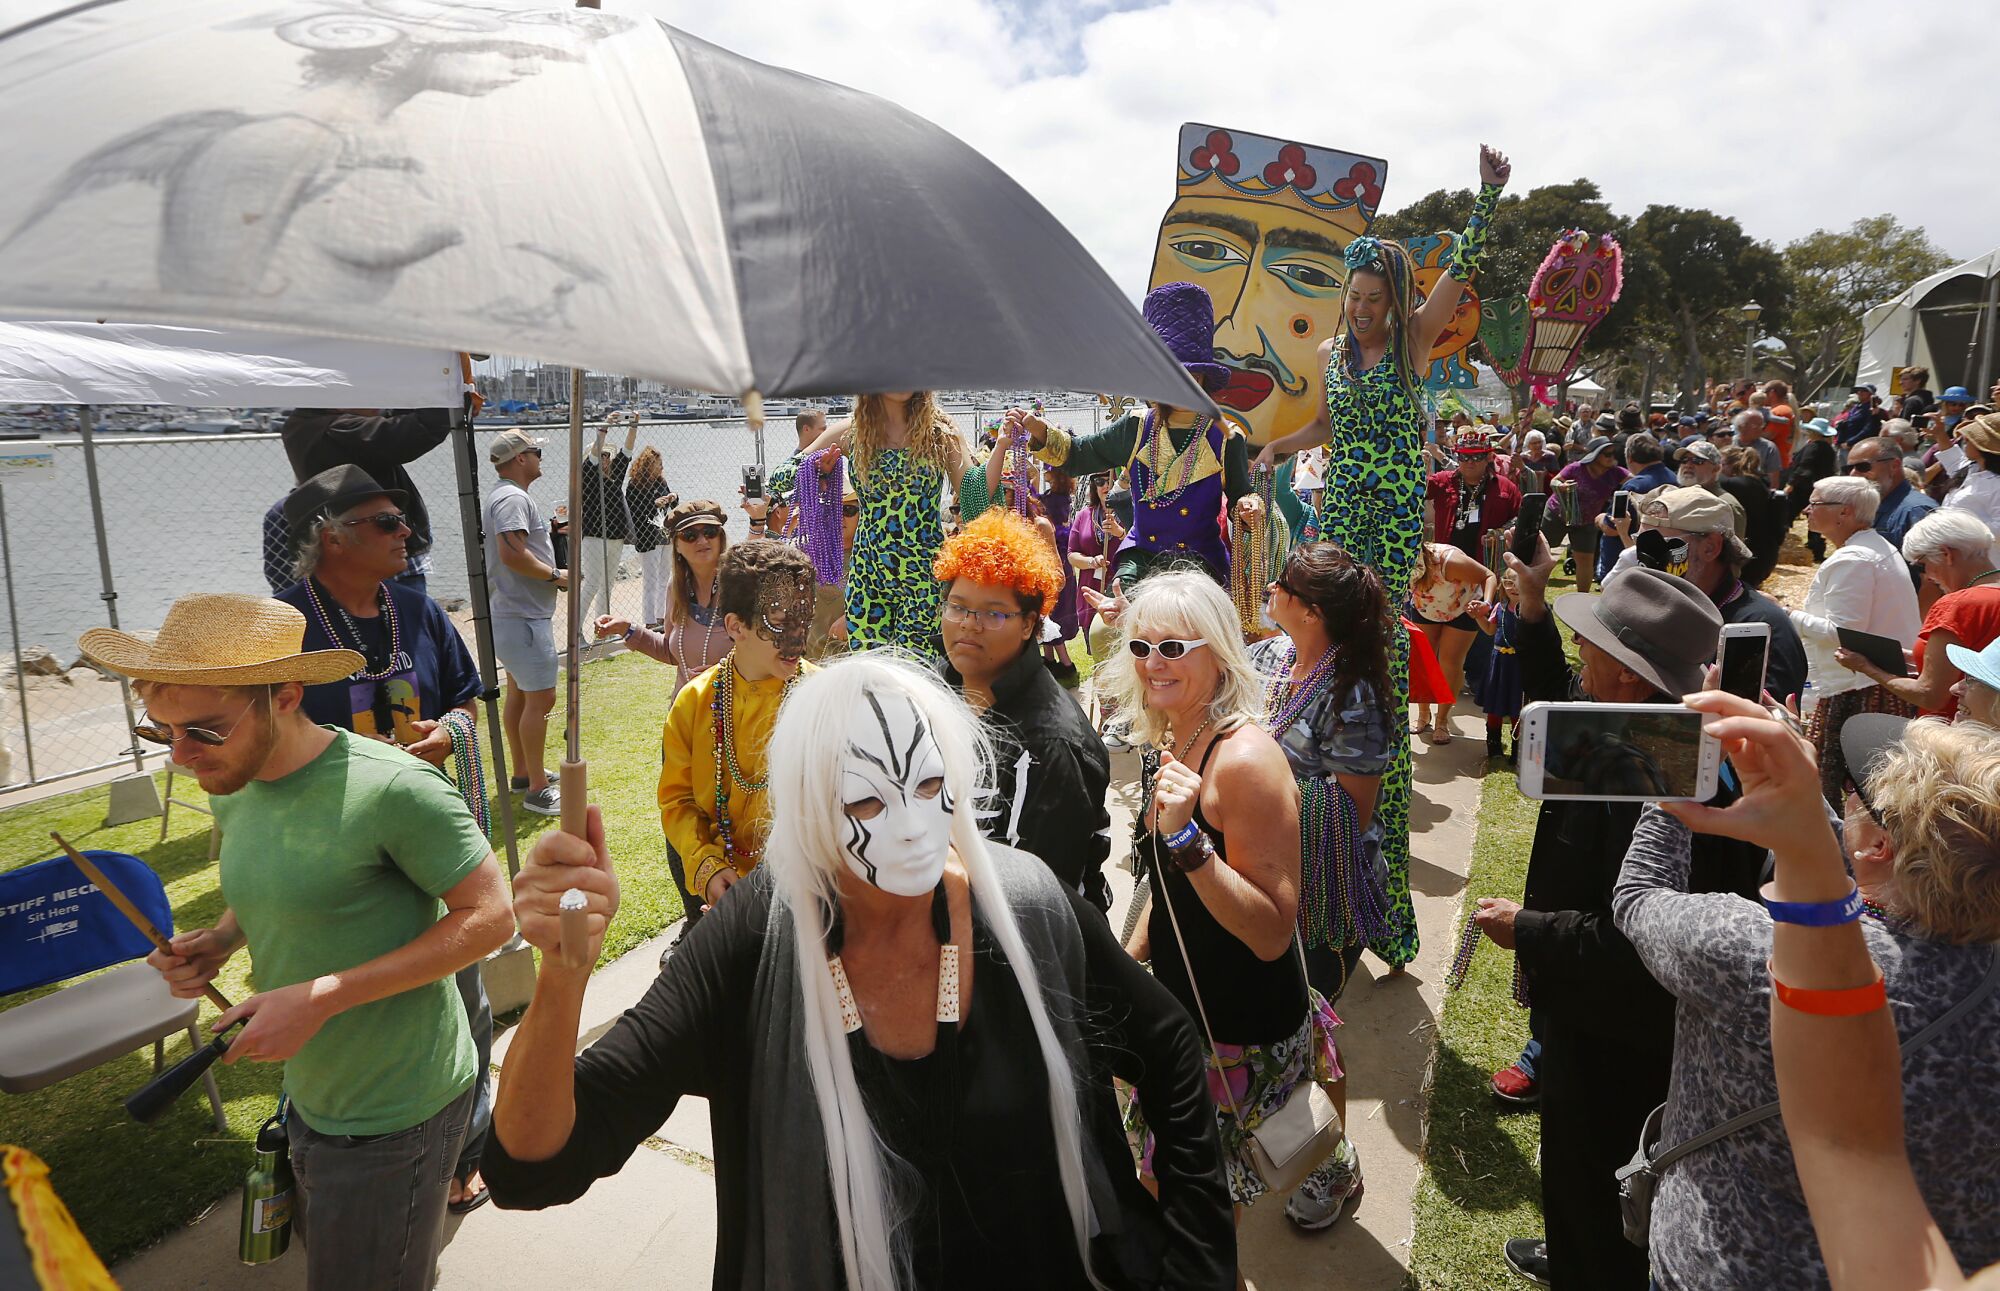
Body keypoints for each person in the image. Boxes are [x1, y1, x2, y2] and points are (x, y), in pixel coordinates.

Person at [487, 655, 1237, 1290]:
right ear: (813, 806)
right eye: (868, 799)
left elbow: (1169, 1043)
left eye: (926, 785)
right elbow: (534, 1166)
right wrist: (562, 976)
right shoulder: (752, 941)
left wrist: (1199, 1261)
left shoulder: (1026, 906)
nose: (910, 823)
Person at [90, 593, 513, 1291]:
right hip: (311, 1094)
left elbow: (492, 915)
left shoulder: (395, 789)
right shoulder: (233, 779)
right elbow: (286, 879)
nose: (181, 757)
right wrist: (220, 940)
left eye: (203, 729)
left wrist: (323, 996)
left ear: (285, 695)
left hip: (397, 1108)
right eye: (160, 732)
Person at [1616, 701, 2000, 1290]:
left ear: (1877, 848)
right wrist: (1797, 805)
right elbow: (1851, 883)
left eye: (1857, 792)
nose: (1844, 797)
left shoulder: (1751, 952)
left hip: (1720, 1269)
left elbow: (1640, 896)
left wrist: (1668, 777)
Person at [1475, 543, 1766, 1290]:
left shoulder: (1673, 775)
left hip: (1621, 1027)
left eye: (1588, 642)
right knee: (1578, 1172)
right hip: (1588, 1010)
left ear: (1630, 673)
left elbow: (1642, 935)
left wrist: (1527, 928)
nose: (1578, 652)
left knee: (1600, 1161)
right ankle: (1576, 1246)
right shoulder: (1630, 729)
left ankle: (1591, 1261)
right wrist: (1533, 612)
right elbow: (1551, 691)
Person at [1254, 144, 1512, 971]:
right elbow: (1330, 428)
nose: (1360, 308)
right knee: (1326, 654)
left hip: (1393, 518)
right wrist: (1275, 446)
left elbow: (1458, 274)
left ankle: (1382, 903)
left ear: (1392, 299)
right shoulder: (1336, 358)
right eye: (1353, 297)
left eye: (1373, 297)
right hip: (1339, 512)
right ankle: (1326, 874)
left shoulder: (1411, 343)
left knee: (1376, 667)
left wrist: (1487, 198)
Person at [1102, 571, 1360, 1243]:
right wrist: (1131, 966)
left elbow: (1274, 930)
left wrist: (1188, 837)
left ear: (1216, 650)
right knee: (1188, 1197)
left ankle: (1328, 1168)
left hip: (1240, 1027)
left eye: (1173, 647)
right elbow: (1169, 887)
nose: (1152, 662)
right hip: (1190, 1010)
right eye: (1140, 646)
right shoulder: (1176, 736)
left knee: (1202, 1218)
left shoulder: (1244, 759)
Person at [273, 464, 495, 1214]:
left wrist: (449, 733)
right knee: (355, 1011)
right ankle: (335, 1152)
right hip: (337, 857)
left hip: (432, 840)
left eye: (404, 520)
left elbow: (468, 697)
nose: (408, 533)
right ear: (330, 536)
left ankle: (465, 1148)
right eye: (387, 522)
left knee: (467, 999)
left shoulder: (417, 608)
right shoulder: (283, 628)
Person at [1007, 284, 1256, 592]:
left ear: (1204, 376)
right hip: (1139, 560)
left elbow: (1241, 498)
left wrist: (1248, 507)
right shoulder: (1134, 427)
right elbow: (1078, 455)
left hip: (1201, 563)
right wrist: (1040, 431)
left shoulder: (1226, 437)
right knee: (1105, 628)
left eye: (1190, 374)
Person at [932, 511, 1113, 910]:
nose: (969, 625)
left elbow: (1040, 902)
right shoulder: (933, 693)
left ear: (1030, 625)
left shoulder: (1052, 744)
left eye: (994, 613)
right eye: (958, 606)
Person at [1254, 542, 1396, 1007]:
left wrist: (1254, 794)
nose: (1272, 588)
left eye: (1284, 586)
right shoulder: (1270, 658)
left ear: (1312, 613)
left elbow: (1350, 815)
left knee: (1306, 1016)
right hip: (1265, 866)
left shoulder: (1353, 697)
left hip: (1320, 889)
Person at [658, 541, 818, 919]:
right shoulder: (694, 703)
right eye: (778, 621)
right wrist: (707, 865)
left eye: (804, 616)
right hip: (727, 897)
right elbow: (678, 801)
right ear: (735, 626)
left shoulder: (823, 699)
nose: (798, 638)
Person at [796, 392, 993, 654]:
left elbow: (974, 499)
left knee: (916, 673)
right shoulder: (853, 431)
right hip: (868, 578)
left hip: (923, 578)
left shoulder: (941, 432)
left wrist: (1001, 448)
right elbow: (786, 475)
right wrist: (817, 469)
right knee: (870, 671)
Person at [1793, 475, 1925, 805]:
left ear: (1845, 512)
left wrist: (1785, 614)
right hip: (1868, 683)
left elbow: (1845, 633)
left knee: (1841, 795)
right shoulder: (1871, 549)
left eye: (1815, 503)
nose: (1806, 510)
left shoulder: (1853, 559)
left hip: (1858, 690)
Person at [1837, 510, 2000, 719]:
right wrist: (1916, 657)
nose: (1928, 576)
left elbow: (1929, 695)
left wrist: (1868, 668)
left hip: (1953, 736)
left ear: (1946, 554)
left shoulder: (1957, 605)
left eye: (1923, 565)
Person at [280, 407, 454, 595]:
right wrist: (449, 404)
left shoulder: (306, 424)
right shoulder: (336, 430)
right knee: (406, 617)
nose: (377, 402)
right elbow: (412, 429)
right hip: (375, 555)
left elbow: (385, 425)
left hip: (359, 555)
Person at [482, 429, 567, 817]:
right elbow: (513, 555)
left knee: (519, 693)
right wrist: (555, 575)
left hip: (513, 613)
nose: (539, 458)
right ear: (519, 459)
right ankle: (536, 788)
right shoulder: (513, 498)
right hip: (523, 616)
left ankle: (523, 774)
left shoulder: (506, 496)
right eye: (535, 452)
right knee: (542, 698)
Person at [597, 500, 732, 694]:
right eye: (690, 535)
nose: (702, 541)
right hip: (686, 712)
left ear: (721, 538)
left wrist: (723, 672)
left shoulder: (739, 585)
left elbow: (763, 655)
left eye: (710, 532)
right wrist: (626, 628)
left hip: (733, 712)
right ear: (676, 545)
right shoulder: (677, 587)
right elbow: (671, 653)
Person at [1408, 541, 1497, 745]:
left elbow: (1488, 575)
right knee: (1423, 660)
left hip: (1463, 608)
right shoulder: (1395, 561)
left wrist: (1486, 604)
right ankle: (1423, 714)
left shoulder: (1448, 561)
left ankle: (1442, 720)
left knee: (1450, 663)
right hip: (1426, 607)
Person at [576, 413, 637, 623]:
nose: (605, 459)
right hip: (594, 537)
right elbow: (593, 457)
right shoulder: (588, 475)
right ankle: (575, 632)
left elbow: (627, 451)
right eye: (601, 455)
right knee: (592, 584)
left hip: (616, 537)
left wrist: (633, 426)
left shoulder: (615, 477)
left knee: (607, 585)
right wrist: (604, 428)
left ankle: (602, 629)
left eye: (607, 456)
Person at [1426, 429, 1522, 560]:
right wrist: (1420, 468)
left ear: (1489, 457)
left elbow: (1520, 519)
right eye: (1464, 457)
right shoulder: (1442, 481)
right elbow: (1416, 492)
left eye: (1476, 456)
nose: (1470, 462)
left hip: (1486, 564)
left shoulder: (1505, 487)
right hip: (1447, 563)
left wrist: (1499, 534)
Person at [1553, 437, 1628, 594]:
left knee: (1585, 560)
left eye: (1613, 453)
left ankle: (1582, 598)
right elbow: (1554, 481)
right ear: (1595, 455)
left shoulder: (1616, 472)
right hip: (1557, 515)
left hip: (1586, 521)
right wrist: (1561, 486)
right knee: (1542, 551)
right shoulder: (1575, 468)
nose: (1612, 457)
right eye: (1607, 454)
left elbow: (1636, 480)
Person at [623, 443, 676, 629]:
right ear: (648, 465)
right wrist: (654, 504)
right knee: (650, 580)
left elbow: (673, 507)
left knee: (665, 578)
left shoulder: (661, 482)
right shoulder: (634, 485)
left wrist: (672, 498)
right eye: (657, 464)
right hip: (647, 536)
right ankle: (649, 620)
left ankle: (661, 617)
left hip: (664, 534)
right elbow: (633, 512)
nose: (661, 467)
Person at [1716, 445, 1786, 587]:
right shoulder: (1758, 481)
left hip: (1749, 557)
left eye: (1720, 464)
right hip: (1764, 554)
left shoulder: (1735, 484)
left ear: (1730, 465)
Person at [1786, 417, 1841, 560]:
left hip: (1804, 488)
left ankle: (1781, 542)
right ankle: (1815, 549)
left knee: (1787, 515)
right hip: (1821, 488)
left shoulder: (1814, 447)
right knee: (1815, 518)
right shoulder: (1828, 449)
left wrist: (1791, 484)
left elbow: (1805, 466)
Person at [1672, 440, 1748, 537]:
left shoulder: (1726, 504)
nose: (1688, 465)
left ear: (1716, 469)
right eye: (1684, 460)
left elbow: (1735, 548)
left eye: (1697, 461)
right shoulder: (1674, 495)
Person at [1943, 413, 2000, 535]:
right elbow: (1951, 459)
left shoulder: (1997, 484)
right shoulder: (1971, 469)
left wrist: (1957, 528)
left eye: (1969, 439)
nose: (1965, 442)